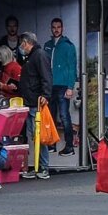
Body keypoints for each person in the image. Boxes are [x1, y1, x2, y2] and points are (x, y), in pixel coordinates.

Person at [15, 32, 54, 178]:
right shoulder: (32, 56)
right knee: (34, 136)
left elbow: (46, 76)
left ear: (25, 42)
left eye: (21, 44)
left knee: (39, 135)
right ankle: (37, 166)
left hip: (36, 101)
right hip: (31, 100)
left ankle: (43, 167)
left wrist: (45, 95)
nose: (20, 47)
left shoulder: (39, 55)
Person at [46, 17, 79, 154]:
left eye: (58, 27)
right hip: (50, 85)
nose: (56, 30)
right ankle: (52, 144)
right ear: (51, 28)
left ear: (62, 28)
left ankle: (69, 146)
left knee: (65, 116)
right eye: (54, 27)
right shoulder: (47, 45)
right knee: (51, 116)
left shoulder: (68, 45)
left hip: (63, 86)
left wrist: (70, 87)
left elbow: (72, 67)